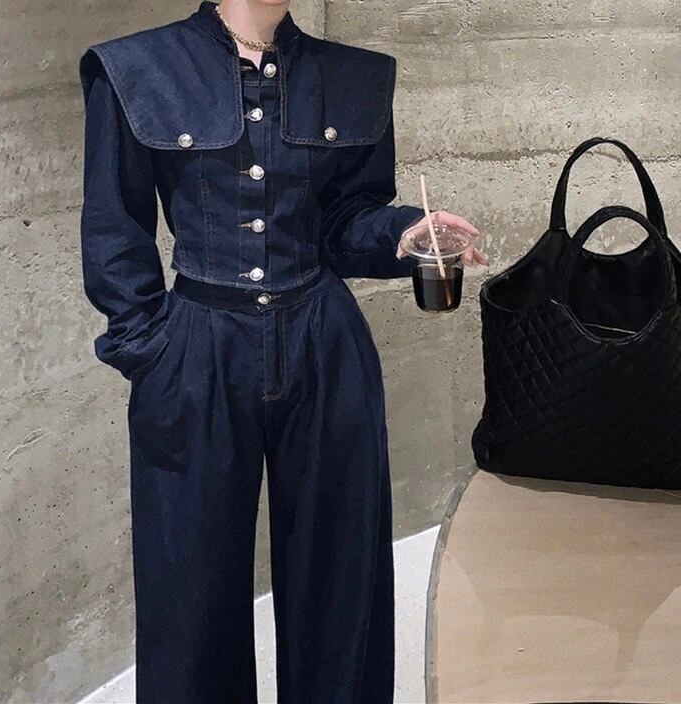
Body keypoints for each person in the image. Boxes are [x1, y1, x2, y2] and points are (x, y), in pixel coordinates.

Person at [77, 1, 485, 701]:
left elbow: (343, 223)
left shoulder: (351, 75)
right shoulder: (137, 68)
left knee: (341, 581)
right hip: (197, 351)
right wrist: (150, 349)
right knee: (188, 595)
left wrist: (401, 233)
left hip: (325, 345)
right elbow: (115, 229)